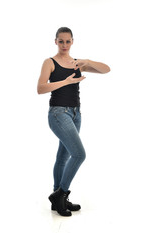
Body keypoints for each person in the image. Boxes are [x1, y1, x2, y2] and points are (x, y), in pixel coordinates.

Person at [37, 27, 110, 217]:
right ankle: (61, 194)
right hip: (58, 113)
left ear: (72, 42)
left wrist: (88, 62)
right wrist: (67, 82)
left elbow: (106, 70)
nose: (64, 45)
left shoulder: (76, 63)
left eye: (68, 41)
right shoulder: (50, 62)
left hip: (76, 114)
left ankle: (57, 198)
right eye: (61, 41)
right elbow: (41, 88)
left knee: (63, 157)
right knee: (79, 154)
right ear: (55, 42)